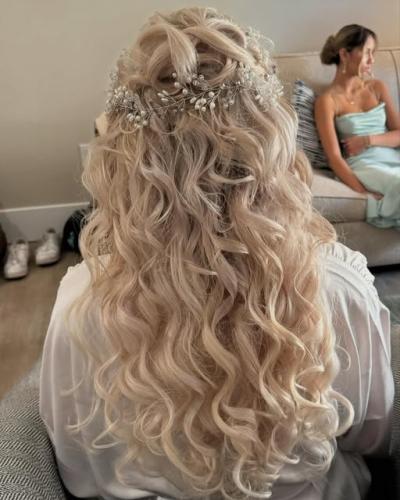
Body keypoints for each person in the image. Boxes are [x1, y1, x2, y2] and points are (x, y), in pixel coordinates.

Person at [39, 8, 393, 500]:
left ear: (124, 155)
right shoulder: (336, 287)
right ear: (273, 144)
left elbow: (77, 469)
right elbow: (373, 437)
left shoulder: (80, 305)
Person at [315, 24, 400, 229]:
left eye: (373, 53)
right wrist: (362, 192)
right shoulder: (327, 101)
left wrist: (367, 140)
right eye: (367, 52)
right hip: (364, 166)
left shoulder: (377, 87)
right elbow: (334, 157)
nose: (372, 60)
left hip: (393, 159)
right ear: (345, 54)